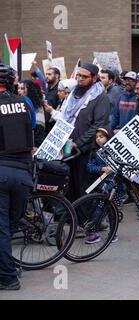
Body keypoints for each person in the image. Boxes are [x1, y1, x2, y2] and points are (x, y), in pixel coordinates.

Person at [45, 63, 111, 201]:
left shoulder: (100, 97)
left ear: (94, 78)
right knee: (70, 181)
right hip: (68, 143)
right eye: (79, 75)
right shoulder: (74, 92)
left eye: (85, 77)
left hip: (85, 148)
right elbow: (65, 117)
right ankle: (72, 216)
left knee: (83, 183)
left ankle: (86, 219)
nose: (80, 79)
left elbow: (98, 124)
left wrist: (78, 142)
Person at [0, 64, 34, 290]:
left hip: (1, 172)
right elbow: (32, 131)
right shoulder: (24, 103)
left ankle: (8, 277)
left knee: (2, 229)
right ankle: (7, 263)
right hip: (23, 173)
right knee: (7, 227)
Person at [86, 127, 121, 244]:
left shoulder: (117, 151)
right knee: (98, 209)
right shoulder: (95, 153)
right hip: (103, 186)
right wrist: (102, 168)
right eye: (97, 137)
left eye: (101, 137)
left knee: (113, 211)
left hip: (117, 186)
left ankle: (113, 233)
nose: (98, 139)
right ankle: (94, 232)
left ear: (108, 138)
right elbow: (90, 167)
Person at [18, 80, 46, 148]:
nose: (19, 91)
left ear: (30, 91)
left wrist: (34, 147)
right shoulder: (22, 103)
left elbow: (39, 132)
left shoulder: (37, 108)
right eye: (18, 88)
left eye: (22, 88)